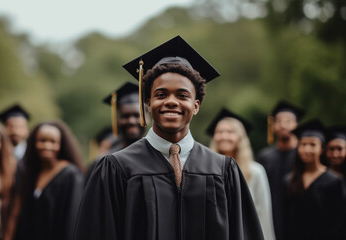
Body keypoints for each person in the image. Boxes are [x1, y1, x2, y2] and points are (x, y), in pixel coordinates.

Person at [74, 35, 264, 240]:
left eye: (182, 95)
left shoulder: (223, 170)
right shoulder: (116, 168)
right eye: (161, 94)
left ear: (196, 105)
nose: (171, 102)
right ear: (147, 103)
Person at [5, 120, 85, 240]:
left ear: (61, 144)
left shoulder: (70, 175)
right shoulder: (31, 173)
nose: (47, 146)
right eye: (42, 141)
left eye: (53, 142)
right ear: (33, 143)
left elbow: (71, 220)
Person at [207, 108, 275, 240]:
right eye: (219, 132)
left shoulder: (255, 171)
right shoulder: (205, 170)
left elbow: (264, 214)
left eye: (230, 132)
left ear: (240, 137)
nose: (224, 136)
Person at [284, 119, 345, 240]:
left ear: (322, 149)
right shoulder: (289, 180)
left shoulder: (334, 181)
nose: (307, 150)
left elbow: (339, 223)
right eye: (303, 144)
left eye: (313, 145)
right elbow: (285, 219)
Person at [256, 100, 304, 240]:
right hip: (272, 216)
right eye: (279, 121)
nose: (283, 125)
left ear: (297, 125)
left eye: (289, 121)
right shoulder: (264, 157)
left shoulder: (303, 156)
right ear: (273, 126)